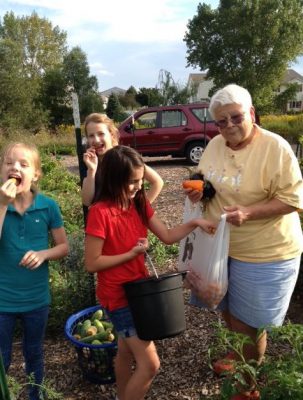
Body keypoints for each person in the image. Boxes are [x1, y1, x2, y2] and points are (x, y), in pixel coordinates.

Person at [184, 84, 303, 399]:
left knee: (248, 323)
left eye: (235, 117)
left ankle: (247, 387)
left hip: (266, 252)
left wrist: (249, 212)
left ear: (251, 113)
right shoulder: (214, 145)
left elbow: (293, 200)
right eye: (221, 122)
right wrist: (200, 188)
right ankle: (238, 358)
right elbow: (206, 178)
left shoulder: (274, 148)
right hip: (222, 249)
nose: (229, 127)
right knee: (228, 310)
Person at [84, 145, 217, 400]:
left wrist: (195, 223)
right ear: (113, 179)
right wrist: (131, 254)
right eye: (131, 182)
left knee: (124, 351)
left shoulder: (138, 203)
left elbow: (167, 236)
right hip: (118, 297)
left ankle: (123, 394)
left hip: (139, 293)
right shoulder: (100, 213)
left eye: (139, 181)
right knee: (150, 365)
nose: (137, 187)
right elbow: (92, 263)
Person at [0, 142, 69, 400]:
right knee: (2, 357)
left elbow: (63, 247)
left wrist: (43, 254)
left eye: (23, 164)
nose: (15, 167)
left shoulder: (48, 206)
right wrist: (2, 205)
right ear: (0, 170)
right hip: (2, 301)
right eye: (9, 163)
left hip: (36, 299)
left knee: (34, 353)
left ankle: (35, 395)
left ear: (36, 174)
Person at [81, 113, 163, 207]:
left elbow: (157, 182)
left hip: (123, 219)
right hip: (102, 219)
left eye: (101, 134)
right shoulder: (90, 161)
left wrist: (140, 209)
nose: (96, 140)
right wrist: (91, 170)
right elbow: (87, 201)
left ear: (111, 134)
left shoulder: (123, 157)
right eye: (91, 136)